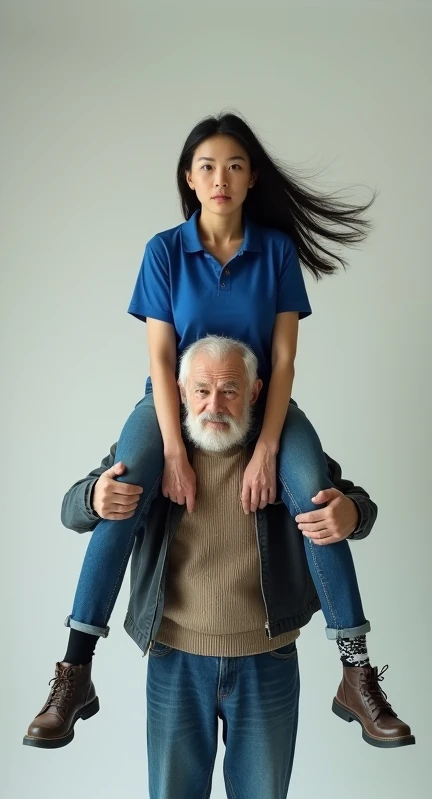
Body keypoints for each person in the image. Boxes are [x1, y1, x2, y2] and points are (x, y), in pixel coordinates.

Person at [26, 340, 413, 799]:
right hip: (177, 659)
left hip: (267, 661)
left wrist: (354, 511)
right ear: (177, 390)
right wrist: (96, 496)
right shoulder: (158, 453)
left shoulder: (285, 459)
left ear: (257, 392)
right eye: (200, 390)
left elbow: (353, 504)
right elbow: (72, 508)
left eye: (230, 389)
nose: (214, 403)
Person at [24, 110, 413, 744]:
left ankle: (356, 672)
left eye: (234, 165)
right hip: (171, 402)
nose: (220, 177)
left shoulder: (277, 252)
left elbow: (284, 359)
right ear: (189, 177)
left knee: (316, 488)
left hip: (260, 401)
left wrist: (266, 448)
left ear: (251, 177)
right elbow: (158, 358)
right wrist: (173, 451)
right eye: (207, 166)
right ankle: (75, 671)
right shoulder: (164, 250)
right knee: (119, 492)